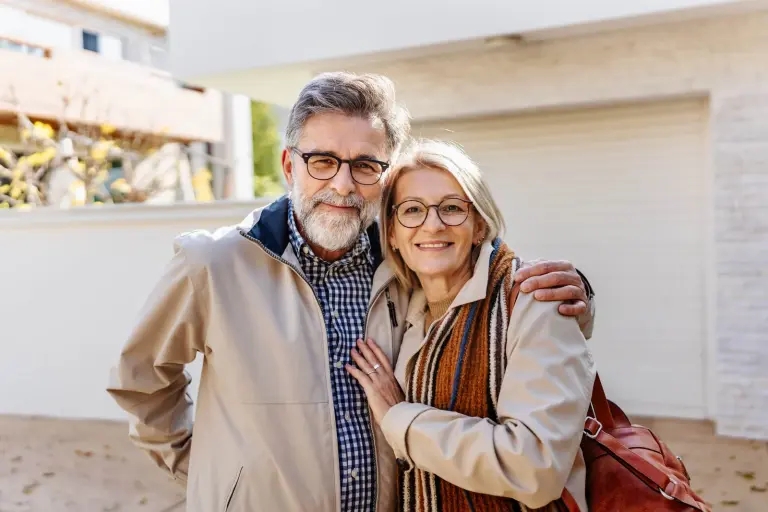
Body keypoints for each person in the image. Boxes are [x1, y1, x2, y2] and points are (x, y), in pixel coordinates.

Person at [106, 72, 596, 512]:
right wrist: (213, 474)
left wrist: (570, 299)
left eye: (365, 166)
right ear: (288, 165)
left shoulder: (407, 260)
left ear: (385, 178)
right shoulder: (211, 263)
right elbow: (141, 381)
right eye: (322, 161)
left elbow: (481, 292)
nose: (342, 184)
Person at [347, 139, 595, 512]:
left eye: (451, 208)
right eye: (412, 210)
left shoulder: (532, 298)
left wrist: (401, 419)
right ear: (393, 235)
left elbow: (535, 468)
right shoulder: (401, 308)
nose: (432, 225)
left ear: (479, 225)